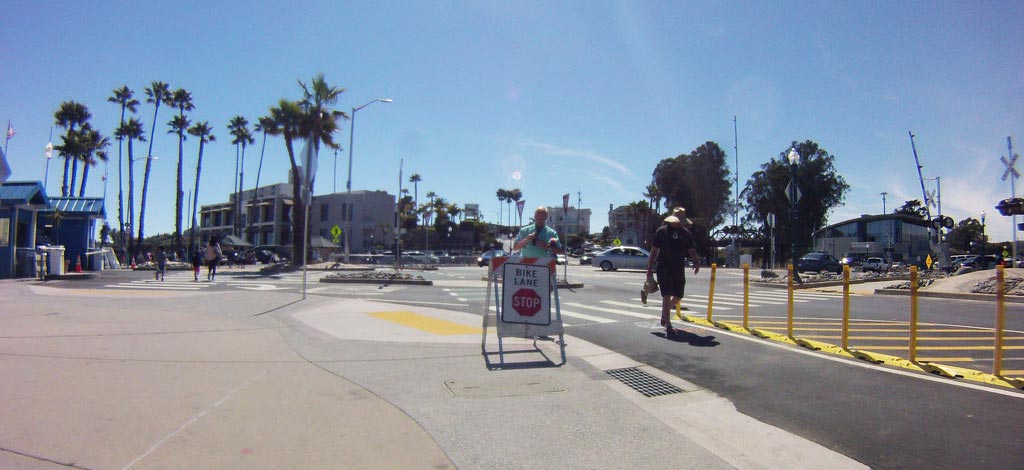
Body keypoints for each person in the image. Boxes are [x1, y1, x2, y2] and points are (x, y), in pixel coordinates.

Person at [646, 207, 700, 337]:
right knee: (667, 294)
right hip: (664, 266)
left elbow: (691, 249)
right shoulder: (661, 231)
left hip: (678, 267)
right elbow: (654, 251)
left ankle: (665, 313)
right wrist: (649, 268)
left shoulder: (685, 233)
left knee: (679, 295)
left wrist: (696, 262)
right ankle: (668, 325)